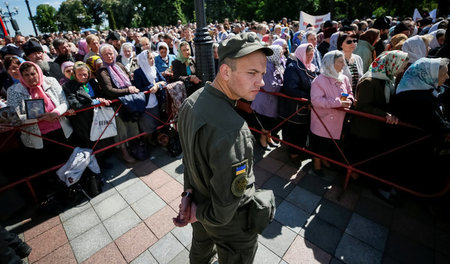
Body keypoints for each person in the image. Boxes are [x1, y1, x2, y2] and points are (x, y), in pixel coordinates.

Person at [174, 32, 275, 264]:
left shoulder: (192, 101)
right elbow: (225, 208)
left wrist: (189, 195)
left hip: (200, 205)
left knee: (200, 255)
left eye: (262, 74)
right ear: (226, 72)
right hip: (229, 226)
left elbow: (188, 159)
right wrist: (196, 212)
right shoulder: (233, 128)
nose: (261, 82)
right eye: (252, 73)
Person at [347, 50, 409, 202]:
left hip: (376, 128)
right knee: (362, 154)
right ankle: (357, 180)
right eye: (402, 66)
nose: (403, 70)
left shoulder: (387, 78)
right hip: (365, 128)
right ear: (393, 64)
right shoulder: (370, 81)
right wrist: (384, 115)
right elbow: (363, 107)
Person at [390, 57, 450, 192]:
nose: (447, 76)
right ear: (430, 75)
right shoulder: (419, 98)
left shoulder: (421, 89)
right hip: (410, 147)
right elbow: (438, 125)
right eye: (444, 73)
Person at [309, 50, 354, 177]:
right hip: (323, 119)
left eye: (344, 61)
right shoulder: (319, 80)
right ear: (330, 63)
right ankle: (317, 165)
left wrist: (349, 100)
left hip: (338, 119)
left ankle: (325, 160)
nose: (344, 65)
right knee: (320, 143)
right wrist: (339, 102)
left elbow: (350, 93)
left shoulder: (344, 78)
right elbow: (316, 100)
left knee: (330, 143)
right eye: (340, 62)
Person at [96, 44, 140, 163]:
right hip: (117, 105)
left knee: (132, 126)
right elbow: (109, 90)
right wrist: (128, 90)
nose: (109, 56)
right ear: (101, 56)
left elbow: (129, 80)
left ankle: (135, 148)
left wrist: (130, 88)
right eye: (106, 54)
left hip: (129, 102)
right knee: (121, 131)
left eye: (111, 53)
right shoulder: (102, 71)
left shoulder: (119, 65)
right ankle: (125, 153)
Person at [279, 43, 318, 160]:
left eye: (312, 54)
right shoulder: (293, 67)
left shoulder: (310, 66)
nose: (311, 57)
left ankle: (299, 149)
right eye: (308, 55)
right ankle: (293, 153)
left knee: (302, 131)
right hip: (295, 107)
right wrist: (309, 96)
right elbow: (290, 88)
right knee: (295, 131)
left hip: (305, 106)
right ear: (301, 54)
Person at [62, 61, 111, 149]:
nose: (83, 77)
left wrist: (101, 99)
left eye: (85, 74)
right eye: (79, 74)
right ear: (75, 74)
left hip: (98, 115)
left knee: (103, 137)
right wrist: (94, 102)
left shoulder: (91, 82)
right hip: (83, 119)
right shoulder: (69, 86)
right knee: (90, 141)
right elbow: (75, 104)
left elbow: (100, 94)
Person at [251, 45, 285, 149]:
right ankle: (263, 140)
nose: (281, 56)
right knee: (265, 122)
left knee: (270, 122)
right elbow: (270, 87)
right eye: (279, 54)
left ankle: (268, 138)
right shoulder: (267, 66)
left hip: (271, 100)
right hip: (265, 100)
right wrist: (282, 87)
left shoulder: (275, 64)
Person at [133, 50, 166, 145]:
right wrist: (153, 86)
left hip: (157, 102)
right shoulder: (138, 73)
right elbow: (139, 88)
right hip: (146, 105)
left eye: (153, 58)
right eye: (150, 58)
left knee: (155, 125)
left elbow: (164, 81)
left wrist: (158, 85)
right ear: (144, 60)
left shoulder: (154, 68)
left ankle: (153, 142)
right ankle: (147, 145)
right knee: (147, 128)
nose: (153, 60)